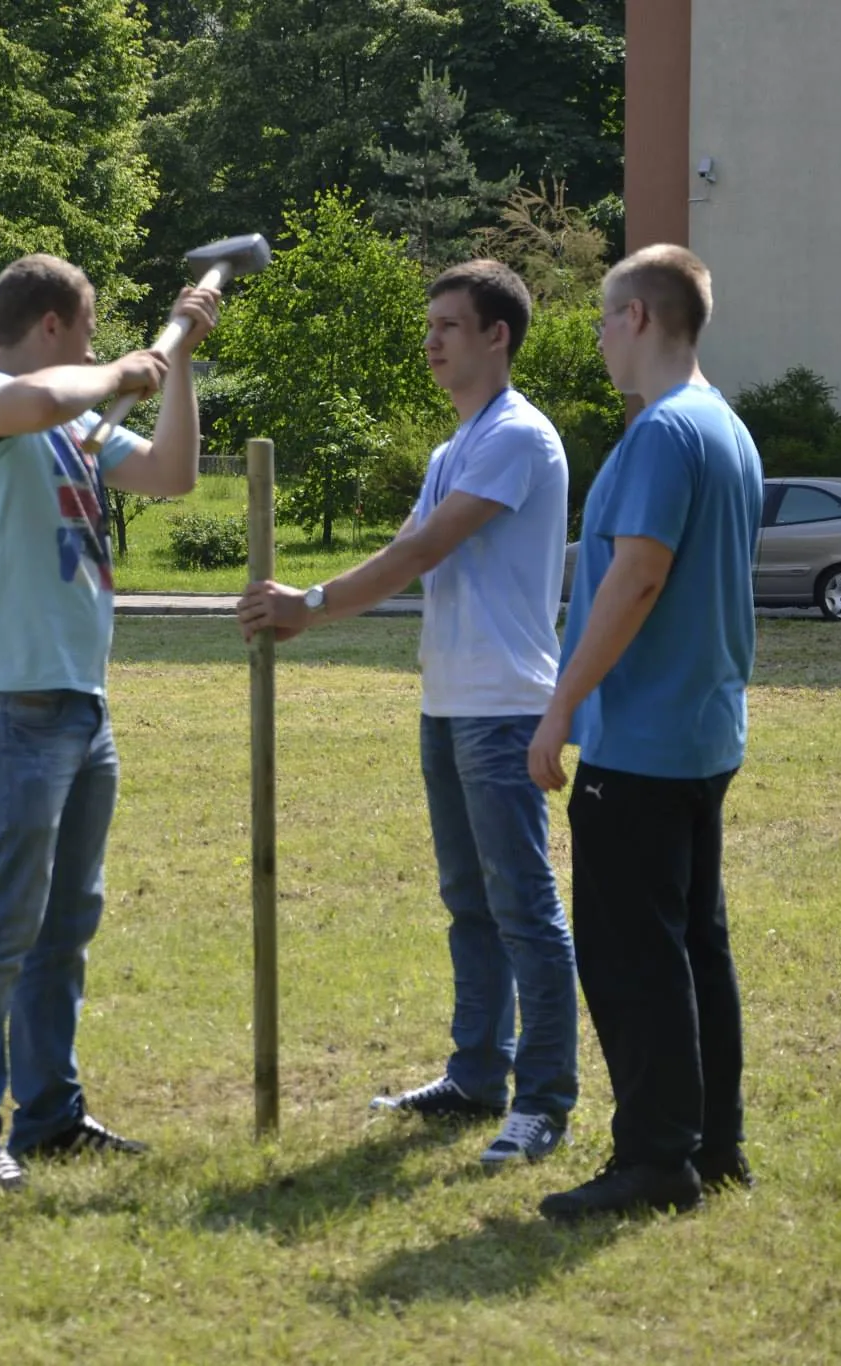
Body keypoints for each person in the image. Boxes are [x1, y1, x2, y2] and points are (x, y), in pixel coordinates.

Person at [238, 259, 578, 1171]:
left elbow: (428, 545)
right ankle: (476, 1077)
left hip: (503, 708)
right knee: (469, 903)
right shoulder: (452, 446)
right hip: (448, 701)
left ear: (497, 336)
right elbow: (410, 553)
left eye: (448, 327)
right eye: (428, 326)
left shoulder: (519, 437)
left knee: (523, 910)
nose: (430, 342)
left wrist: (311, 601)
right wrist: (319, 603)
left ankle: (543, 1102)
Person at [0, 255, 219, 1192]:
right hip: (11, 704)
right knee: (2, 925)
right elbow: (45, 395)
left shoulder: (79, 422)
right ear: (53, 324)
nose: (95, 350)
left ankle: (49, 1114)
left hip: (82, 705)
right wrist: (119, 372)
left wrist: (182, 361)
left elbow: (172, 476)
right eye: (87, 332)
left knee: (64, 926)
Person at [526, 244, 764, 1221]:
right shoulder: (725, 429)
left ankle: (654, 1159)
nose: (594, 337)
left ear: (637, 318)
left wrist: (559, 705)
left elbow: (635, 577)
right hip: (700, 734)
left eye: (599, 318)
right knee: (692, 946)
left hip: (641, 739)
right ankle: (711, 1145)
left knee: (632, 957)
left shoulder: (664, 434)